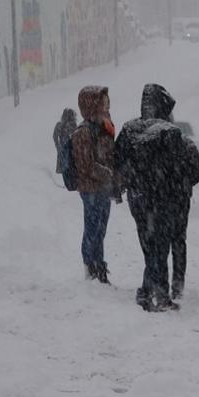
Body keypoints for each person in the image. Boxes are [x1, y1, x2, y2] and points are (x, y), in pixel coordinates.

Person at [115, 83, 199, 312]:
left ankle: (149, 291)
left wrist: (130, 183)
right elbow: (185, 169)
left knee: (149, 245)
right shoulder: (171, 134)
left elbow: (118, 162)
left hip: (139, 198)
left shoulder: (129, 130)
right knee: (162, 246)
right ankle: (158, 293)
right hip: (164, 199)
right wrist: (177, 187)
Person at [71, 86, 117, 284]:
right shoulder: (83, 132)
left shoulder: (103, 128)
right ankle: (91, 268)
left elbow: (109, 156)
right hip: (91, 189)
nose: (106, 107)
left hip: (103, 189)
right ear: (91, 106)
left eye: (107, 103)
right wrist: (108, 174)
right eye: (102, 103)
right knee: (93, 229)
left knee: (100, 230)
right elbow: (86, 165)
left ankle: (99, 266)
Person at [53, 108, 78, 174]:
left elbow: (77, 137)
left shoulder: (73, 126)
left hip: (70, 151)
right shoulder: (60, 125)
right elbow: (55, 136)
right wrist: (58, 146)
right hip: (65, 150)